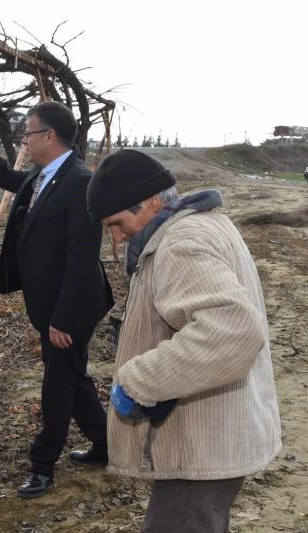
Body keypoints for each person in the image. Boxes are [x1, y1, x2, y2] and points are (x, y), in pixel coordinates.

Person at [86, 149, 281, 533]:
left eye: (117, 222)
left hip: (203, 445)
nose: (116, 235)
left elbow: (234, 331)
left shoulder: (180, 243)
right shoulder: (207, 224)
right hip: (216, 434)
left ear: (153, 201)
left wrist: (139, 380)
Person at [0, 100, 114, 498]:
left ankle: (42, 467)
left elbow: (83, 259)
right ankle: (106, 444)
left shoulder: (79, 180)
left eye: (28, 134)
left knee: (57, 384)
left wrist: (63, 319)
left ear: (49, 136)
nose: (24, 142)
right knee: (73, 377)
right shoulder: (45, 176)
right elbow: (13, 182)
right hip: (51, 302)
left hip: (72, 304)